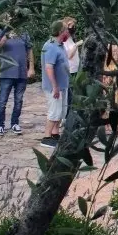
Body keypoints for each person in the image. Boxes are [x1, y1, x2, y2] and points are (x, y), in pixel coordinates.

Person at [0, 13, 35, 136]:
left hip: (21, 72)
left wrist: (31, 68)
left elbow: (30, 50)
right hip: (6, 71)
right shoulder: (0, 31)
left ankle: (14, 123)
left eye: (12, 18)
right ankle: (0, 125)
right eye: (8, 18)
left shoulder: (23, 32)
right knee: (2, 101)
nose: (11, 19)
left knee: (19, 100)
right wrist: (5, 35)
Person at [40, 21, 71, 149]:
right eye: (65, 30)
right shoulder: (51, 46)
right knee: (54, 111)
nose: (67, 33)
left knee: (61, 111)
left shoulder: (60, 45)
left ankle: (55, 133)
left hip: (63, 85)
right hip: (55, 86)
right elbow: (49, 67)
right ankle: (46, 137)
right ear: (60, 32)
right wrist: (55, 86)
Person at [61, 17, 81, 113]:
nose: (73, 28)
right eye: (71, 26)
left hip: (75, 69)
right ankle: (67, 116)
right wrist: (76, 45)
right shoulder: (64, 39)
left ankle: (71, 114)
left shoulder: (71, 38)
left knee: (73, 94)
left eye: (74, 25)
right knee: (69, 94)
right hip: (69, 70)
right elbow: (68, 55)